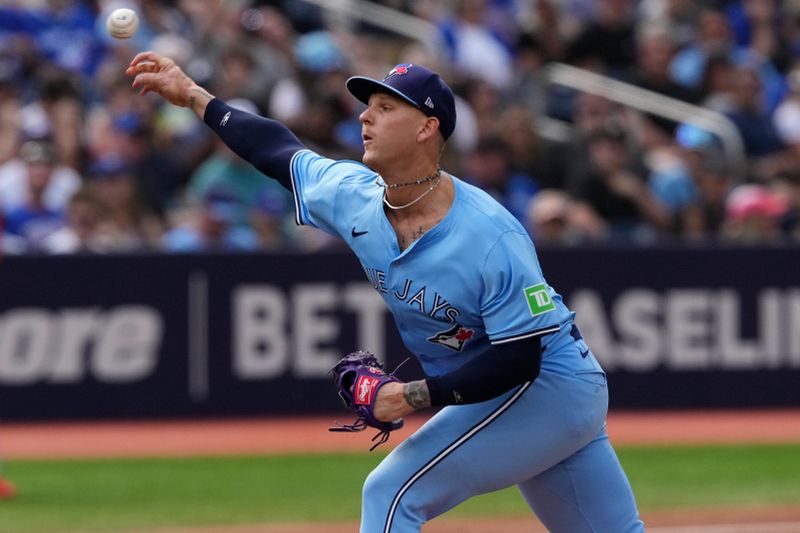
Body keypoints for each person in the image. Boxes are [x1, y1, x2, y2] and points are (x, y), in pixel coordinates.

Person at [127, 52, 644, 533]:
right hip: (532, 394)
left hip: (545, 385)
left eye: (384, 107)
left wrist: (412, 396)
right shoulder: (353, 197)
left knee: (392, 491)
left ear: (427, 127)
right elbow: (275, 149)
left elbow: (519, 359)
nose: (364, 118)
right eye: (365, 106)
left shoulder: (490, 235)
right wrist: (194, 93)